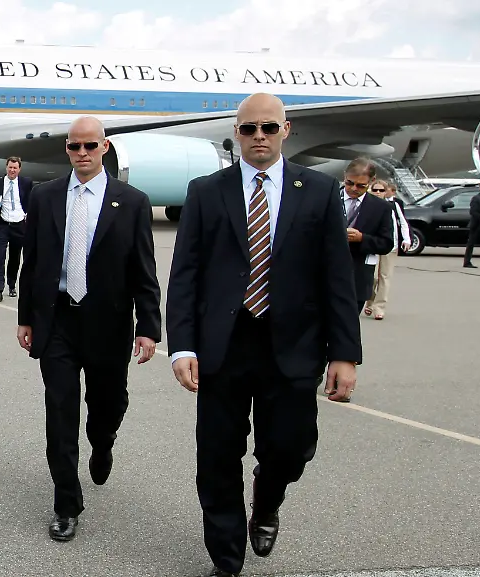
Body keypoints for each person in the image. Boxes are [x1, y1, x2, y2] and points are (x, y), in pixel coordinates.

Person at [166, 93, 361, 577]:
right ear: (236, 132)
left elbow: (337, 276)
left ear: (285, 130)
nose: (258, 137)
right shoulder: (207, 192)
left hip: (293, 346)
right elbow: (186, 274)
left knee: (290, 449)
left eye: (268, 128)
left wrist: (345, 354)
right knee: (216, 456)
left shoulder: (317, 190)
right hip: (223, 347)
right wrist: (182, 346)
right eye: (249, 128)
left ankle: (268, 500)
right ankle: (227, 559)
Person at [16, 116, 162, 542]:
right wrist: (27, 316)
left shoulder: (131, 201)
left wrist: (149, 327)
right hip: (58, 319)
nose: (82, 153)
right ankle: (66, 502)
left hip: (108, 323)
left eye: (90, 146)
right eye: (75, 146)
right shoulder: (44, 197)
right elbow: (34, 263)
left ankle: (103, 441)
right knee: (60, 413)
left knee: (107, 404)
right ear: (67, 149)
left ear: (105, 148)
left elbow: (144, 271)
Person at [339, 158, 396, 313]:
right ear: (344, 176)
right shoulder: (329, 199)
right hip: (324, 275)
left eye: (361, 186)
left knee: (347, 329)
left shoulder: (381, 208)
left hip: (357, 277)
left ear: (372, 181)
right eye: (349, 183)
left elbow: (386, 243)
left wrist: (362, 238)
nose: (353, 188)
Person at [0, 156, 34, 302]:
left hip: (19, 224)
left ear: (19, 169)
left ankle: (12, 285)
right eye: (10, 167)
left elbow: (31, 200)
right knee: (0, 258)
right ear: (6, 167)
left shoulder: (26, 183)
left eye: (15, 168)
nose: (12, 170)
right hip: (2, 225)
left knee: (15, 258)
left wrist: (29, 214)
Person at [364, 180, 410, 320]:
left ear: (386, 192)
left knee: (385, 277)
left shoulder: (393, 206)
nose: (378, 193)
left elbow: (403, 223)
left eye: (381, 190)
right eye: (375, 190)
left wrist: (406, 239)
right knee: (373, 278)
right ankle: (370, 302)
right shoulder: (366, 206)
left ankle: (379, 307)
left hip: (391, 246)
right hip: (373, 245)